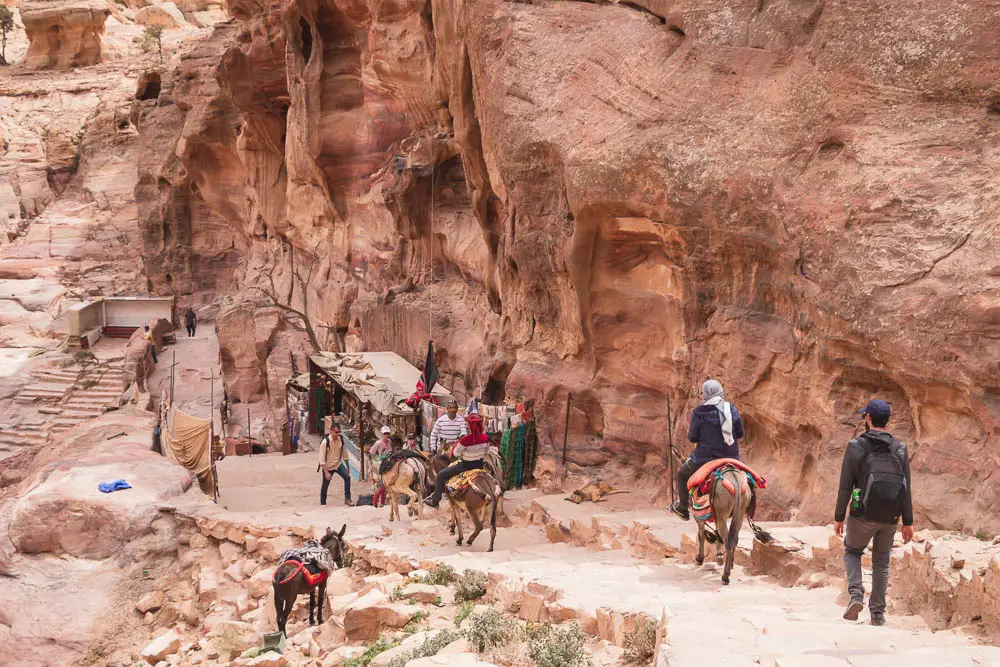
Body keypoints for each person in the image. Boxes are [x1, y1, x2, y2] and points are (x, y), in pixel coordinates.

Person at [834, 399, 913, 627]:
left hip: (861, 513)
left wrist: (839, 516)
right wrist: (908, 521)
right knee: (881, 560)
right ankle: (877, 613)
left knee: (852, 551)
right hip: (891, 515)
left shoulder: (856, 446)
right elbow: (906, 486)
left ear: (868, 418)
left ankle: (856, 594)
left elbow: (845, 485)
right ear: (888, 421)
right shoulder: (900, 448)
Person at [669, 379, 744, 521]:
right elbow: (739, 434)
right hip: (731, 457)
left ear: (706, 394)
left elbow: (692, 437)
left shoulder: (699, 412)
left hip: (705, 459)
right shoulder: (731, 409)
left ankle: (683, 508)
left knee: (682, 474)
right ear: (720, 392)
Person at [424, 413, 489, 508]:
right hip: (479, 466)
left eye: (468, 424)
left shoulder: (465, 440)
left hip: (465, 466)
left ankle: (435, 500)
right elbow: (486, 452)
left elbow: (456, 454)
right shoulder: (486, 438)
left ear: (472, 426)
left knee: (441, 475)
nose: (466, 426)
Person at [318, 422, 353, 507]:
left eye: (339, 432)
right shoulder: (325, 442)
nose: (337, 434)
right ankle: (323, 502)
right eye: (336, 432)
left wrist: (347, 468)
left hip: (338, 464)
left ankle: (347, 499)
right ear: (331, 431)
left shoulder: (340, 439)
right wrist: (326, 472)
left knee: (347, 478)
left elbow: (345, 454)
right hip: (328, 466)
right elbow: (321, 459)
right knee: (325, 485)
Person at [370, 426, 393, 508]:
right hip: (380, 465)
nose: (386, 435)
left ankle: (382, 502)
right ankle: (375, 502)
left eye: (387, 433)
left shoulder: (389, 442)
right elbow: (372, 452)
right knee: (380, 484)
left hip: (388, 464)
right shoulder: (378, 443)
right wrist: (377, 459)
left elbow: (390, 451)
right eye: (385, 434)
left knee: (385, 484)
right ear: (382, 434)